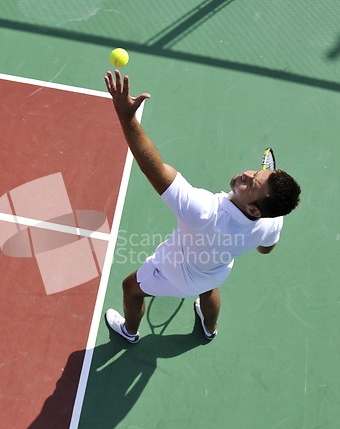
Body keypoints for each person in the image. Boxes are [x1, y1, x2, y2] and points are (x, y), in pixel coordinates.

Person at [104, 70, 301, 344]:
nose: (245, 175)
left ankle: (130, 332)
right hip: (214, 271)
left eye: (252, 183)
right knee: (209, 290)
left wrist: (126, 117)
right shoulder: (272, 220)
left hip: (174, 273)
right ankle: (210, 328)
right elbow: (266, 248)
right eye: (256, 172)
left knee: (131, 288)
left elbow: (154, 168)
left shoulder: (203, 211)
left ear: (255, 209)